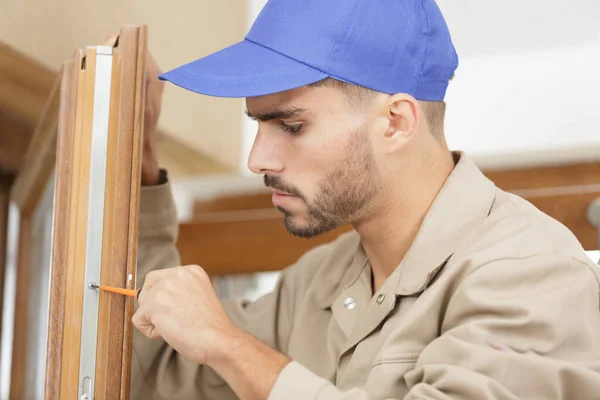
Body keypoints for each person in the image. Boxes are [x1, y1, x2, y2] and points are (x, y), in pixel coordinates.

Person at [130, 0, 600, 399]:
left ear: (396, 122)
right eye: (258, 124)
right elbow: (158, 373)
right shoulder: (314, 283)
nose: (258, 159)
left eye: (291, 126)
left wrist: (228, 344)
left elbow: (218, 347)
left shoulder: (529, 272)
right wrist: (143, 161)